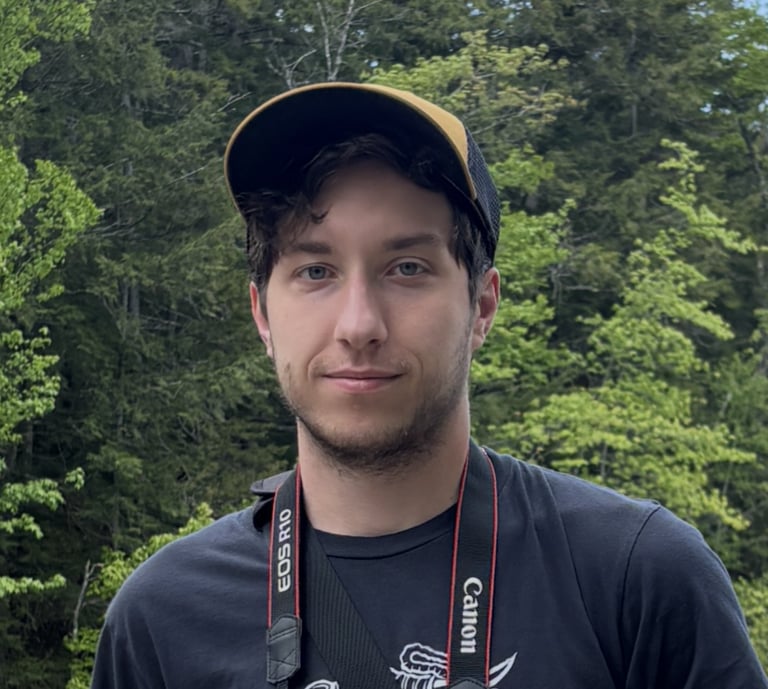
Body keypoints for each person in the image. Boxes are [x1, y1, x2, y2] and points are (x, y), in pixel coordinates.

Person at [90, 82, 768, 689]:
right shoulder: (161, 618)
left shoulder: (634, 577)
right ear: (263, 312)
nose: (359, 324)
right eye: (316, 272)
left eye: (407, 267)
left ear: (482, 306)